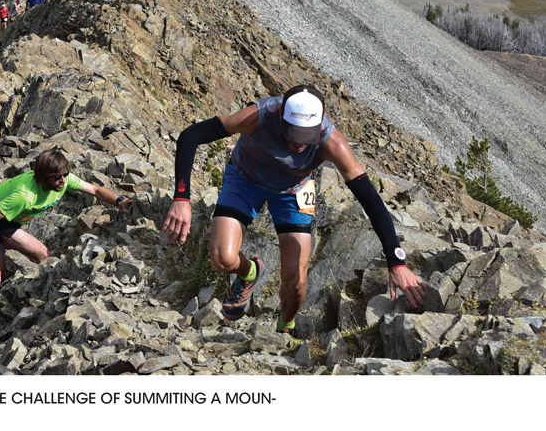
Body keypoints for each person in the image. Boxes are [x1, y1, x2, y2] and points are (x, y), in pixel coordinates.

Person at [162, 84, 425, 337]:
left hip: (293, 191)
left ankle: (285, 325)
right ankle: (249, 272)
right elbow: (191, 136)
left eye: (306, 138)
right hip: (245, 178)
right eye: (293, 135)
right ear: (282, 119)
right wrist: (182, 197)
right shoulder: (260, 115)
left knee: (296, 281)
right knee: (222, 258)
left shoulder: (332, 141)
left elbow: (370, 199)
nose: (299, 144)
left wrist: (396, 260)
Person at [0, 148, 134, 316]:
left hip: (11, 216)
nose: (63, 180)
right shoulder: (24, 195)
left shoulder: (64, 180)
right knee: (40, 256)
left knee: (4, 271)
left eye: (65, 175)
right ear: (43, 177)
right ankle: (42, 300)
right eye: (57, 177)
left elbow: (95, 190)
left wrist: (120, 201)